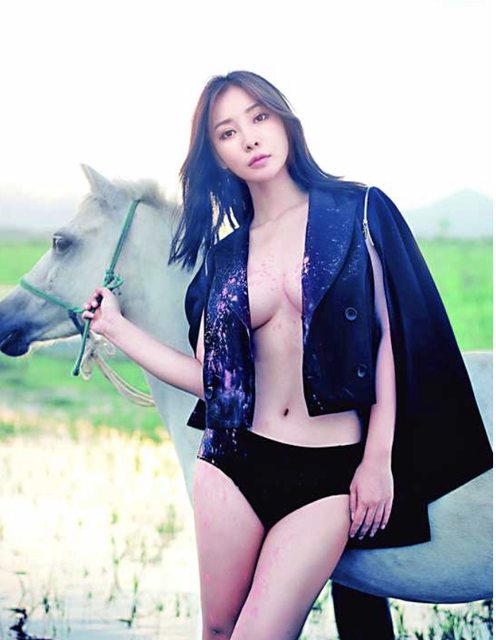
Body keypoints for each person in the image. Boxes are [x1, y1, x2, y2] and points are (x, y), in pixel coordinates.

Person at [82, 70, 493, 640]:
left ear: (284, 122)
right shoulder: (226, 257)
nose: (249, 138)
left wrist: (377, 459)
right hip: (231, 462)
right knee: (218, 631)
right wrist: (115, 328)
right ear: (217, 156)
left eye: (259, 117)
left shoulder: (358, 212)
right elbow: (212, 382)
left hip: (327, 473)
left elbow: (387, 339)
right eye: (227, 133)